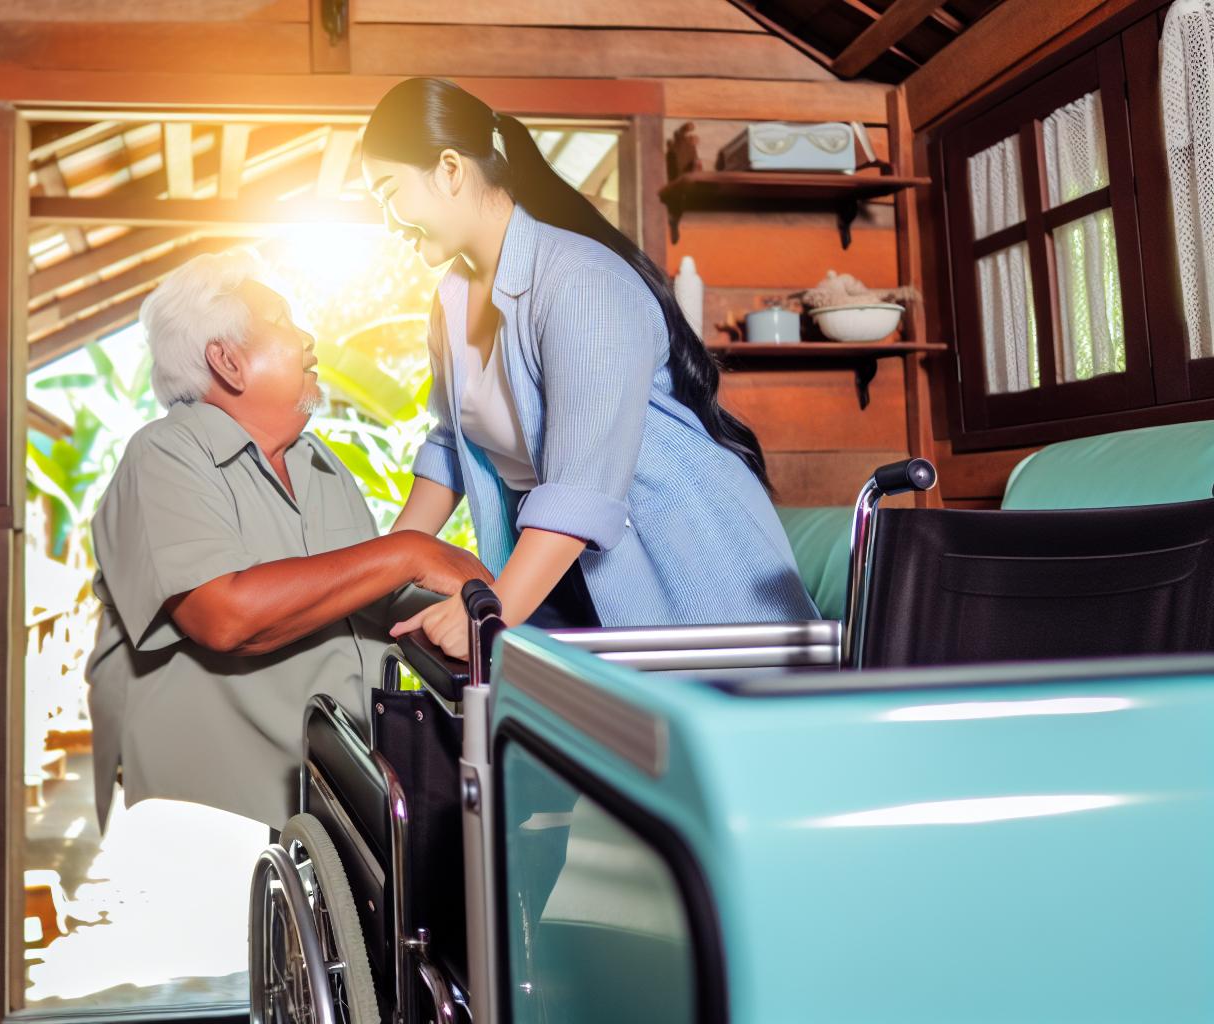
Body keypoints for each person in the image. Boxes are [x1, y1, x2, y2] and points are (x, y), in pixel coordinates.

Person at [359, 77, 817, 658]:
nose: (388, 220)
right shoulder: (450, 301)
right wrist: (376, 576)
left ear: (449, 169)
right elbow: (451, 447)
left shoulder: (579, 281)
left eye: (388, 192)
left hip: (685, 567)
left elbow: (580, 488)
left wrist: (493, 610)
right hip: (560, 562)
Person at [85, 248, 486, 829]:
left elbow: (362, 595)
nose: (307, 337)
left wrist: (465, 607)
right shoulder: (165, 454)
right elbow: (223, 614)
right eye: (280, 320)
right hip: (223, 808)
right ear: (227, 362)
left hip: (338, 789)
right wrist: (409, 553)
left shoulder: (318, 462)